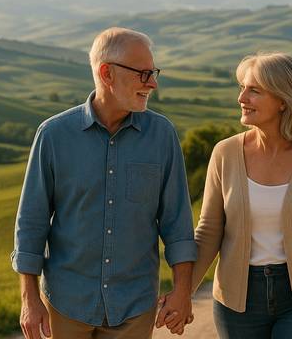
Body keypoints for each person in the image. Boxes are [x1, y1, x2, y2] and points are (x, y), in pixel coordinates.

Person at [11, 27, 196, 339]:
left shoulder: (162, 136)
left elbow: (177, 222)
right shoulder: (54, 136)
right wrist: (29, 298)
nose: (152, 83)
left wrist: (182, 291)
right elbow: (31, 222)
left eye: (154, 73)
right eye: (144, 73)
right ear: (107, 73)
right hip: (66, 304)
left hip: (135, 306)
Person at [190, 52, 292, 339]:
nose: (242, 98)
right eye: (242, 88)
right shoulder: (225, 153)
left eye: (254, 90)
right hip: (237, 302)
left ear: (283, 100)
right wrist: (183, 292)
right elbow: (209, 231)